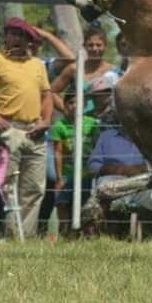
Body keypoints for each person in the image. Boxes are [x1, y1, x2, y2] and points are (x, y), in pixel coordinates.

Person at [0, 17, 52, 238]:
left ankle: (26, 237)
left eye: (21, 35)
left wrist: (46, 119)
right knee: (8, 185)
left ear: (29, 41)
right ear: (5, 36)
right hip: (8, 128)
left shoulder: (38, 65)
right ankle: (10, 235)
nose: (16, 39)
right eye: (12, 33)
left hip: (36, 129)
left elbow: (47, 94)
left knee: (34, 188)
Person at [87, 122, 152, 239]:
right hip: (115, 181)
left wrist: (144, 169)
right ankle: (96, 235)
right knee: (103, 185)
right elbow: (92, 166)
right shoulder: (106, 136)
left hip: (145, 181)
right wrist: (117, 169)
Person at [51, 94, 100, 234]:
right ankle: (66, 233)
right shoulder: (60, 126)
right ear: (65, 106)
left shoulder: (93, 124)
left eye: (78, 103)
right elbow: (58, 152)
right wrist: (59, 178)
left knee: (87, 205)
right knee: (62, 202)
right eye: (70, 102)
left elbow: (98, 147)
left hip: (89, 175)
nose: (74, 106)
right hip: (68, 174)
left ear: (84, 106)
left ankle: (89, 235)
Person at [51, 25, 118, 114]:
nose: (95, 49)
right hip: (81, 123)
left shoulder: (114, 71)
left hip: (107, 123)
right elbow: (51, 92)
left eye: (99, 45)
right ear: (84, 46)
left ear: (105, 46)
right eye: (90, 45)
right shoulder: (75, 69)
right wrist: (67, 111)